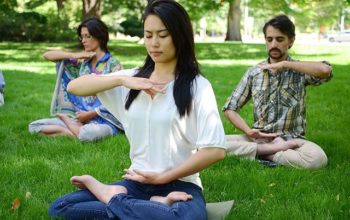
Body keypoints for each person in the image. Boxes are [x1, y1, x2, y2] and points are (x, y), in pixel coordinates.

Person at [48, 0, 226, 219]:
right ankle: (150, 206)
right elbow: (75, 86)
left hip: (181, 185)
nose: (154, 43)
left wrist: (163, 178)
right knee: (61, 207)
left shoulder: (197, 86)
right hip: (136, 183)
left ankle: (116, 199)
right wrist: (122, 80)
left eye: (163, 35)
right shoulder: (132, 79)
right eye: (148, 35)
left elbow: (215, 150)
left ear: (179, 35)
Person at [223, 15, 332, 169]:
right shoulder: (255, 72)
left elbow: (325, 70)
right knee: (208, 144)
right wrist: (249, 131)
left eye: (280, 40)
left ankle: (260, 154)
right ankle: (268, 152)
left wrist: (285, 65)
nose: (273, 44)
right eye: (269, 39)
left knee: (317, 159)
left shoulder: (299, 70)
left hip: (292, 141)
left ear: (291, 41)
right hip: (259, 139)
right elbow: (230, 108)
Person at [29, 17, 123, 142]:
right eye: (81, 37)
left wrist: (89, 115)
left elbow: (118, 99)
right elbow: (48, 55)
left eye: (87, 36)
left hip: (105, 121)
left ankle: (67, 123)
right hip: (80, 119)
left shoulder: (113, 65)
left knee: (88, 134)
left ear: (99, 37)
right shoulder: (82, 64)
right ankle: (74, 131)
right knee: (34, 126)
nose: (83, 41)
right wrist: (75, 55)